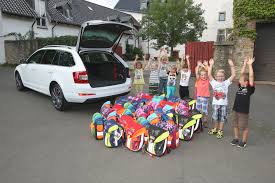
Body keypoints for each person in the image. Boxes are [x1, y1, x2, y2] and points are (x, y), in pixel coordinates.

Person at [208, 58, 236, 139]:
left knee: (222, 117)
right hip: (215, 104)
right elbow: (209, 74)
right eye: (218, 76)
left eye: (221, 76)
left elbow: (233, 75)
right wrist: (211, 65)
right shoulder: (214, 83)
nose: (220, 77)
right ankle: (215, 128)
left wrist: (231, 65)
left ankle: (220, 130)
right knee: (215, 117)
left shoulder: (226, 83)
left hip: (224, 104)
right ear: (216, 77)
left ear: (224, 77)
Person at [230, 57, 255, 148]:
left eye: (241, 80)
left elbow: (251, 76)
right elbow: (241, 74)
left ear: (246, 82)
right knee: (235, 124)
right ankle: (236, 138)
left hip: (243, 111)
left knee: (243, 127)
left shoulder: (249, 89)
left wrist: (250, 65)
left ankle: (244, 141)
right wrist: (244, 64)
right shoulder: (240, 87)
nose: (239, 81)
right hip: (236, 109)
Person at [195, 61, 210, 128]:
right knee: (198, 109)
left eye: (204, 75)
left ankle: (205, 120)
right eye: (202, 75)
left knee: (204, 110)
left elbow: (209, 71)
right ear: (200, 75)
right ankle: (199, 121)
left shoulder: (207, 80)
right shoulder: (198, 80)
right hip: (199, 97)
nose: (203, 76)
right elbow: (196, 71)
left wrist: (206, 65)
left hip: (205, 97)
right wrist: (198, 65)